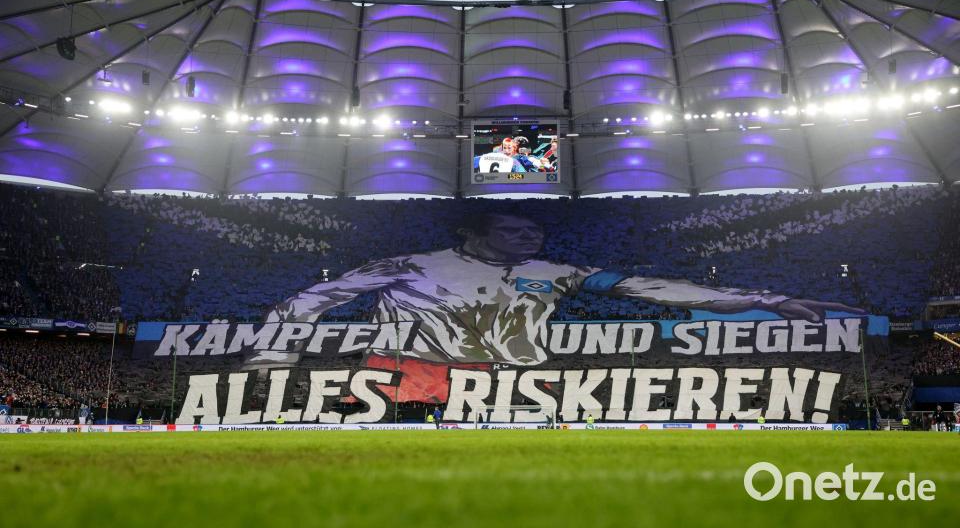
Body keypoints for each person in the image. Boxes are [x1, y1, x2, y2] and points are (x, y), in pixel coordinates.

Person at [259, 213, 863, 365]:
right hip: (414, 373)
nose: (529, 235)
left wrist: (765, 298)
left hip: (518, 379)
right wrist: (278, 347)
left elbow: (646, 288)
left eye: (534, 227)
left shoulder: (555, 273)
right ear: (472, 231)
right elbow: (320, 295)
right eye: (512, 227)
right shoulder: (411, 263)